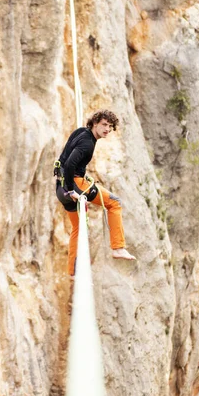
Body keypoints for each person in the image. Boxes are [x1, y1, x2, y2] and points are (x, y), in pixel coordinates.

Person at [55, 109, 136, 275]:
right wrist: (72, 190)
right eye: (104, 124)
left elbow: (65, 160)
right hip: (74, 185)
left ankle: (73, 272)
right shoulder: (88, 143)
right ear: (95, 123)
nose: (107, 129)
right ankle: (118, 247)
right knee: (114, 202)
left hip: (60, 187)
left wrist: (68, 188)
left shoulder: (80, 132)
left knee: (77, 228)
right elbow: (70, 164)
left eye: (110, 126)